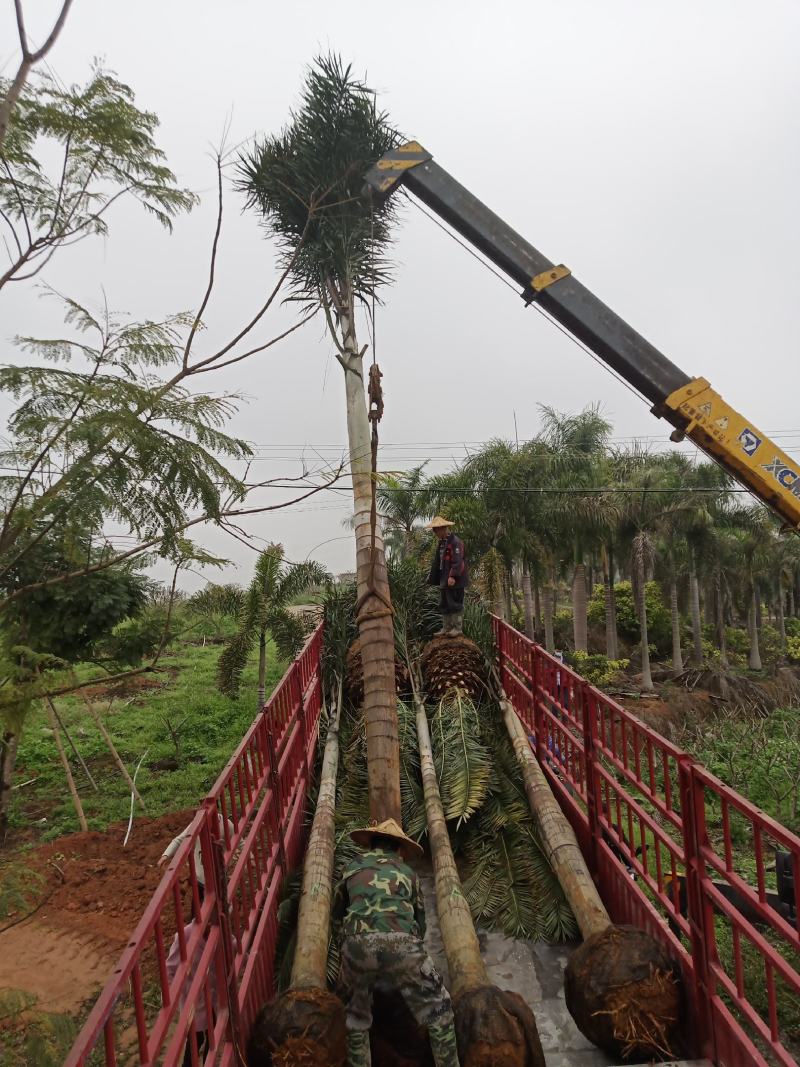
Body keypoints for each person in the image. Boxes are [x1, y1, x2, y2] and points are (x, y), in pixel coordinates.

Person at [333, 818, 459, 1067]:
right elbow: (420, 923)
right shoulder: (407, 873)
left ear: (372, 845)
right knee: (438, 1010)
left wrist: (347, 950)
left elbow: (337, 914)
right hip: (402, 944)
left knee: (355, 1018)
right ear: (399, 849)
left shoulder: (353, 866)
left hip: (356, 943)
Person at [158, 812, 235, 904]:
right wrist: (165, 855)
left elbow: (238, 840)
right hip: (199, 877)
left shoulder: (227, 825)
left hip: (218, 874)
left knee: (220, 901)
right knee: (198, 906)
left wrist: (250, 857)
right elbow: (181, 839)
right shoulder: (198, 823)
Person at [426, 516, 468, 637]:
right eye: (434, 530)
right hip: (444, 579)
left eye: (436, 530)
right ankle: (447, 627)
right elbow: (438, 562)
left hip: (455, 580)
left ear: (443, 529)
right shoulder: (442, 543)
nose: (435, 532)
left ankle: (457, 628)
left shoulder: (455, 542)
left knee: (454, 603)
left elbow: (458, 561)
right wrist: (431, 576)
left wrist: (453, 576)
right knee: (444, 603)